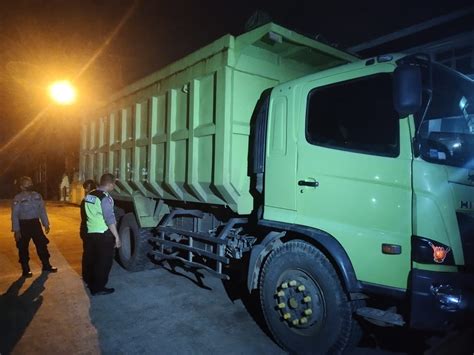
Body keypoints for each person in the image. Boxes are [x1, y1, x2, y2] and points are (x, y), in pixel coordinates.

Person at [81, 173, 121, 296]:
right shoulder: (105, 198)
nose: (114, 186)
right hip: (103, 234)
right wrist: (117, 237)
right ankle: (98, 288)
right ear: (109, 184)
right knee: (103, 262)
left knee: (90, 258)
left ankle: (89, 281)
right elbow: (109, 219)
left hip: (90, 232)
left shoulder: (89, 196)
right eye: (114, 184)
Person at [11, 176, 58, 277]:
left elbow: (42, 210)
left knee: (42, 245)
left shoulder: (37, 196)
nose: (29, 185)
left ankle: (46, 265)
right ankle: (25, 269)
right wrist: (16, 230)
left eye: (30, 183)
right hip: (23, 225)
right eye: (26, 184)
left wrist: (46, 224)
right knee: (23, 247)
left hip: (35, 224)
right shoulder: (18, 198)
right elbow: (14, 215)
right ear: (21, 187)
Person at [80, 179, 97, 284]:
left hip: (85, 229)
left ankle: (86, 276)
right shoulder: (90, 198)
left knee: (87, 253)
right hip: (89, 229)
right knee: (91, 254)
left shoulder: (86, 198)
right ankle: (89, 276)